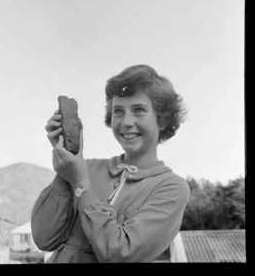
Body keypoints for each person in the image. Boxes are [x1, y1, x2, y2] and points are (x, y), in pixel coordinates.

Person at [31, 64, 190, 263]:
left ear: (163, 120)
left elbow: (120, 253)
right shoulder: (86, 167)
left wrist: (80, 182)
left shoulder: (172, 187)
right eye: (118, 111)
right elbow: (44, 239)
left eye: (139, 110)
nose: (126, 122)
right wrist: (65, 167)